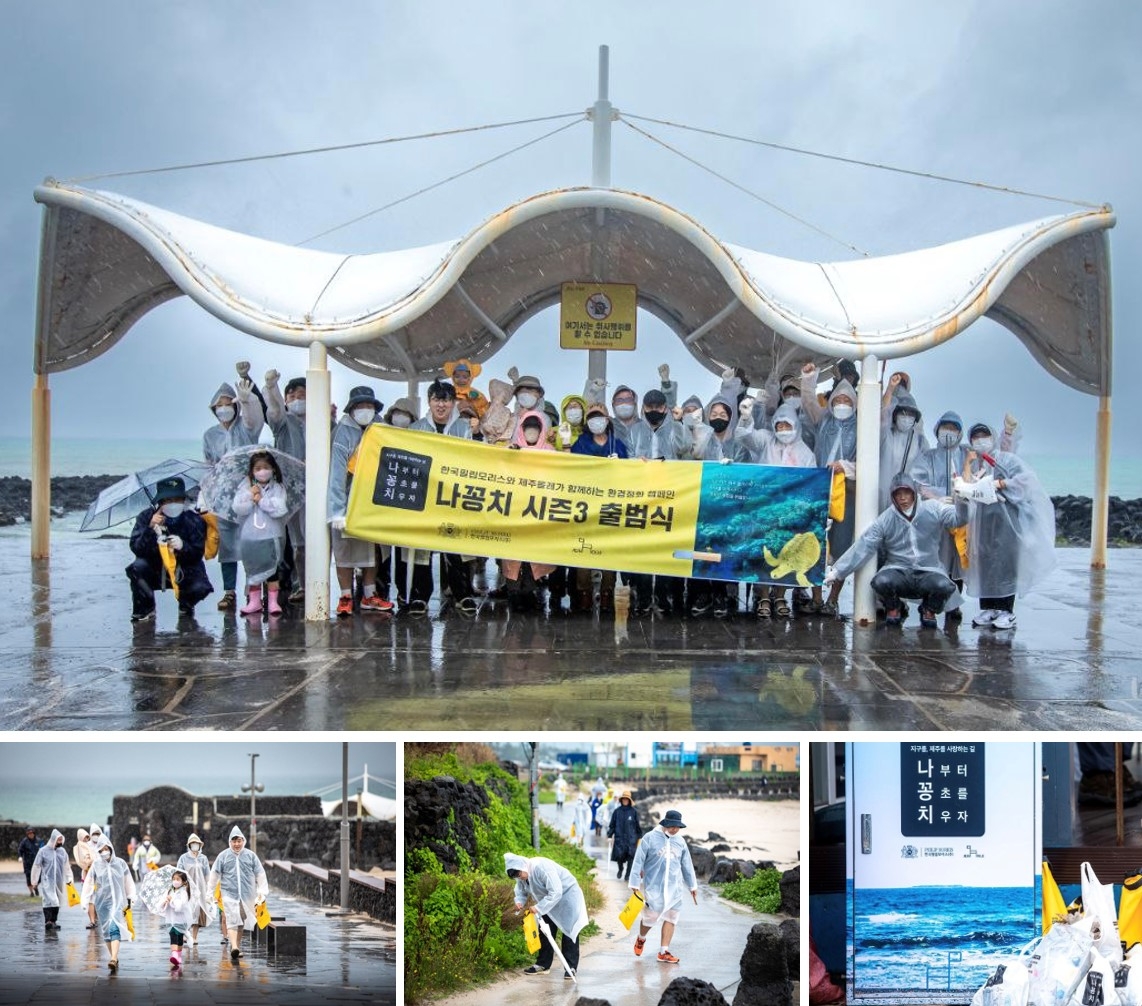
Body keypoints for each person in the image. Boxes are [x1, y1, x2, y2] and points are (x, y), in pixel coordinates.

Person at [825, 473, 968, 627]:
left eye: (906, 492)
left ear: (914, 492)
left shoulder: (933, 508)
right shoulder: (886, 518)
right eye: (898, 494)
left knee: (945, 586)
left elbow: (957, 519)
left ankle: (929, 610)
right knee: (881, 581)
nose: (903, 498)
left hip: (929, 570)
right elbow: (865, 544)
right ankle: (893, 607)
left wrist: (962, 500)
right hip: (898, 570)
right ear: (893, 496)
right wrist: (838, 571)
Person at [957, 421, 1056, 631]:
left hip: (1007, 522)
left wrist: (1002, 484)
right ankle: (989, 607)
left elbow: (1027, 481)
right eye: (975, 438)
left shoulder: (1006, 460)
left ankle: (1006, 611)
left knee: (1005, 564)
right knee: (984, 562)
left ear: (992, 438)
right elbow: (965, 487)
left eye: (984, 436)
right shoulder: (976, 463)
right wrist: (968, 463)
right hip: (983, 523)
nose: (980, 441)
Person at [735, 400, 818, 618]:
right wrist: (745, 418)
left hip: (791, 512)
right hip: (765, 508)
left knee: (787, 554)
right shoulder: (766, 440)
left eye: (787, 426)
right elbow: (744, 437)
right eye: (779, 426)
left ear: (796, 426)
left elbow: (812, 483)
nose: (783, 430)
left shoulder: (806, 453)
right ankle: (762, 596)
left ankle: (780, 595)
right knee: (764, 552)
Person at [411, 379, 478, 612]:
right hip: (426, 496)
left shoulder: (463, 428)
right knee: (422, 548)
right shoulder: (416, 428)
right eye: (436, 400)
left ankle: (463, 594)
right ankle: (420, 596)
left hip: (453, 495)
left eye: (446, 400)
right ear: (429, 402)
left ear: (453, 403)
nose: (441, 405)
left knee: (456, 545)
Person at [328, 386, 395, 618]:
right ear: (352, 409)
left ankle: (369, 594)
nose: (365, 410)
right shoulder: (341, 433)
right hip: (347, 500)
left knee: (372, 549)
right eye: (360, 406)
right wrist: (336, 510)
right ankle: (346, 595)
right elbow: (336, 474)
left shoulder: (381, 429)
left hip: (373, 500)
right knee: (344, 550)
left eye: (368, 406)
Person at [202, 372, 265, 609]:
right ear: (214, 409)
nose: (224, 409)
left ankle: (253, 590)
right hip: (222, 497)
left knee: (251, 542)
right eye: (220, 406)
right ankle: (229, 591)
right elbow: (208, 466)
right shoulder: (210, 435)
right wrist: (206, 496)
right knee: (227, 547)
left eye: (229, 405)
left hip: (248, 492)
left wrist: (247, 401)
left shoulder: (246, 428)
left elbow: (254, 419)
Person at [800, 362, 858, 616]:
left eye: (847, 399)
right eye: (838, 399)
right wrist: (809, 378)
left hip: (848, 493)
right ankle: (815, 596)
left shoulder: (862, 427)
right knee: (814, 543)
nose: (842, 404)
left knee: (842, 547)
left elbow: (868, 461)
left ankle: (833, 598)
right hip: (819, 490)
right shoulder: (823, 421)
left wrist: (845, 466)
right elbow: (809, 402)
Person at [126, 476, 213, 622]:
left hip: (184, 568)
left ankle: (186, 605)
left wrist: (183, 546)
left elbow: (198, 553)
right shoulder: (146, 517)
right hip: (155, 567)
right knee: (137, 568)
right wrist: (150, 530)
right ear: (159, 502)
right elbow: (136, 548)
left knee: (200, 586)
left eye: (177, 499)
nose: (173, 504)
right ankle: (145, 608)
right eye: (168, 500)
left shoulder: (193, 519)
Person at [570, 405, 628, 614]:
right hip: (585, 504)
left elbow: (630, 473)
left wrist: (620, 465)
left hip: (610, 505)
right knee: (583, 551)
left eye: (600, 417)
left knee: (608, 552)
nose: (596, 421)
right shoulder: (580, 444)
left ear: (607, 419)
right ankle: (584, 593)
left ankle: (606, 594)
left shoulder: (617, 444)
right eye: (592, 418)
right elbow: (572, 470)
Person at [502, 411, 558, 612]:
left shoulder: (550, 451)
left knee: (533, 557)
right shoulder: (511, 449)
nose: (532, 432)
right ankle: (513, 591)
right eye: (528, 428)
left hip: (538, 512)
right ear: (522, 429)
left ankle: (531, 591)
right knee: (513, 556)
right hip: (515, 511)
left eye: (536, 428)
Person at [261, 369, 307, 603]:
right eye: (292, 396)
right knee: (296, 543)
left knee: (318, 540)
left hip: (316, 491)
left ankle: (320, 583)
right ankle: (300, 585)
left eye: (302, 395)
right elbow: (275, 409)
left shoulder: (323, 423)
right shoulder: (283, 422)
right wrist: (272, 388)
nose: (297, 400)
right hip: (290, 491)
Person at [505, 852, 589, 980]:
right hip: (547, 901)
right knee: (545, 930)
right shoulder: (521, 875)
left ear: (523, 866)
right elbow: (521, 891)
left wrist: (538, 907)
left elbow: (556, 892)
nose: (519, 877)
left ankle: (570, 967)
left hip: (567, 897)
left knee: (569, 930)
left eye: (519, 874)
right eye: (515, 876)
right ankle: (543, 965)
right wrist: (519, 902)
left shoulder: (541, 868)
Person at [629, 808, 698, 965]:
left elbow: (687, 865)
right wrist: (634, 883)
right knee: (650, 917)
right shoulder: (650, 838)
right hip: (654, 886)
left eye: (677, 827)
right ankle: (641, 938)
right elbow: (638, 860)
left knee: (671, 917)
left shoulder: (680, 842)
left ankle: (663, 952)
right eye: (672, 826)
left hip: (675, 887)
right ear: (666, 823)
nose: (675, 829)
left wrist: (692, 886)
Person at [233, 450, 290, 616]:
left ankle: (272, 602)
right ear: (252, 471)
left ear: (273, 469)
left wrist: (262, 501)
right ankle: (254, 602)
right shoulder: (245, 488)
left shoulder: (278, 488)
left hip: (271, 536)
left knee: (272, 571)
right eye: (258, 468)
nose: (262, 471)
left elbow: (280, 509)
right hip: (250, 537)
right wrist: (250, 496)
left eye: (266, 467)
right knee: (253, 571)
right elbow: (238, 508)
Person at [208, 826, 268, 961]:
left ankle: (237, 946)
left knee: (241, 922)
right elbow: (214, 875)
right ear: (230, 842)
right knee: (231, 919)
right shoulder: (223, 856)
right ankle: (234, 946)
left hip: (247, 895)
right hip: (229, 894)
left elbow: (260, 873)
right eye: (234, 841)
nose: (236, 844)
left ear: (243, 841)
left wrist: (262, 891)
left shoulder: (251, 856)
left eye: (239, 841)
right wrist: (209, 892)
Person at [82, 835, 136, 972]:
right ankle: (114, 957)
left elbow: (128, 881)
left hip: (118, 901)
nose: (104, 852)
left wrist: (131, 897)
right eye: (101, 850)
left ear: (111, 848)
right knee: (106, 932)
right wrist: (85, 899)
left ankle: (113, 957)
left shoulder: (120, 863)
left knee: (114, 928)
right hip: (102, 903)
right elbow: (88, 883)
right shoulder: (96, 865)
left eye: (106, 848)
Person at [176, 833, 213, 947]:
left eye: (196, 844)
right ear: (189, 845)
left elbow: (207, 874)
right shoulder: (184, 858)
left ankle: (195, 936)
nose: (194, 846)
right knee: (186, 911)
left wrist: (209, 889)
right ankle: (185, 935)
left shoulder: (203, 858)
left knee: (198, 912)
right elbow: (178, 872)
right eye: (192, 844)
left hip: (200, 889)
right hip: (187, 889)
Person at [31, 829, 69, 931]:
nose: (60, 842)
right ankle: (49, 921)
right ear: (53, 839)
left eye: (61, 840)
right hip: (47, 880)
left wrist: (69, 879)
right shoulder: (43, 851)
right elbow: (36, 866)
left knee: (56, 901)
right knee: (50, 901)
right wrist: (34, 881)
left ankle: (52, 921)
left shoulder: (62, 851)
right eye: (58, 840)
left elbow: (67, 866)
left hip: (59, 881)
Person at [160, 870, 195, 969]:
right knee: (173, 937)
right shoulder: (169, 891)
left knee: (179, 939)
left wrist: (172, 900)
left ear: (183, 882)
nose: (175, 881)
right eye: (174, 879)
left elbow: (179, 907)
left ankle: (178, 956)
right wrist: (165, 901)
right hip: (170, 920)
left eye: (177, 879)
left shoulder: (184, 893)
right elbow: (161, 906)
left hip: (180, 920)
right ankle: (174, 954)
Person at [608, 791, 641, 881]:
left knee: (631, 857)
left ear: (629, 800)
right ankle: (620, 869)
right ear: (622, 800)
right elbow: (612, 825)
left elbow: (637, 825)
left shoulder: (634, 812)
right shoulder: (616, 812)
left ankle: (627, 874)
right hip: (619, 838)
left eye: (627, 799)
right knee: (620, 856)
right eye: (624, 799)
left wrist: (639, 837)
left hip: (631, 839)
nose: (625, 800)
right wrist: (610, 836)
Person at [18, 827, 40, 897]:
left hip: (36, 862)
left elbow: (43, 850)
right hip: (27, 863)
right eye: (29, 834)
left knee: (38, 877)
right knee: (28, 877)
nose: (30, 835)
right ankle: (31, 892)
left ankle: (35, 887)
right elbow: (20, 850)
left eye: (32, 833)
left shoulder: (38, 841)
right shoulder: (24, 842)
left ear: (34, 833)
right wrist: (20, 857)